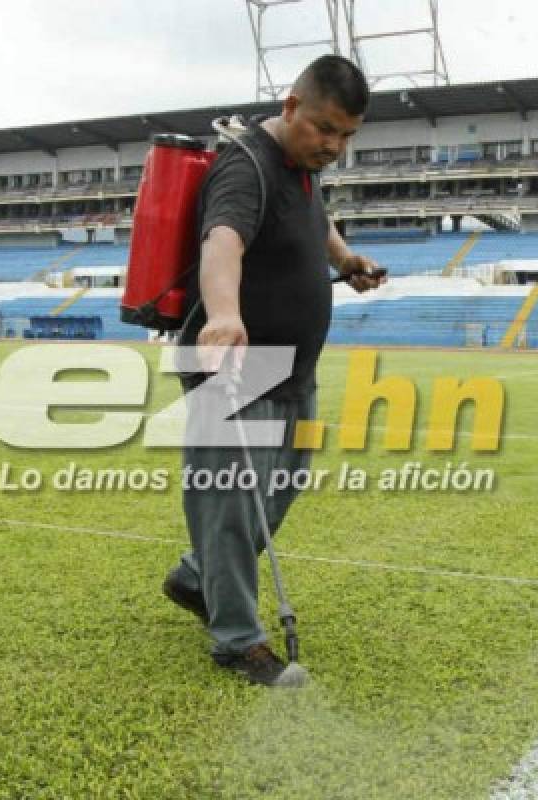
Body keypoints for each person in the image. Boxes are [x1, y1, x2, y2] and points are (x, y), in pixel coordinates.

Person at [162, 55, 385, 687]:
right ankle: (236, 639)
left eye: (347, 135)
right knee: (232, 504)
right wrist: (225, 315)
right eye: (325, 129)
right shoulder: (247, 164)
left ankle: (198, 577)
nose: (335, 146)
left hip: (293, 370)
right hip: (238, 367)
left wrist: (344, 259)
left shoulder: (304, 167)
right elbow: (223, 242)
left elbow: (315, 221)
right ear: (291, 107)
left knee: (276, 493)